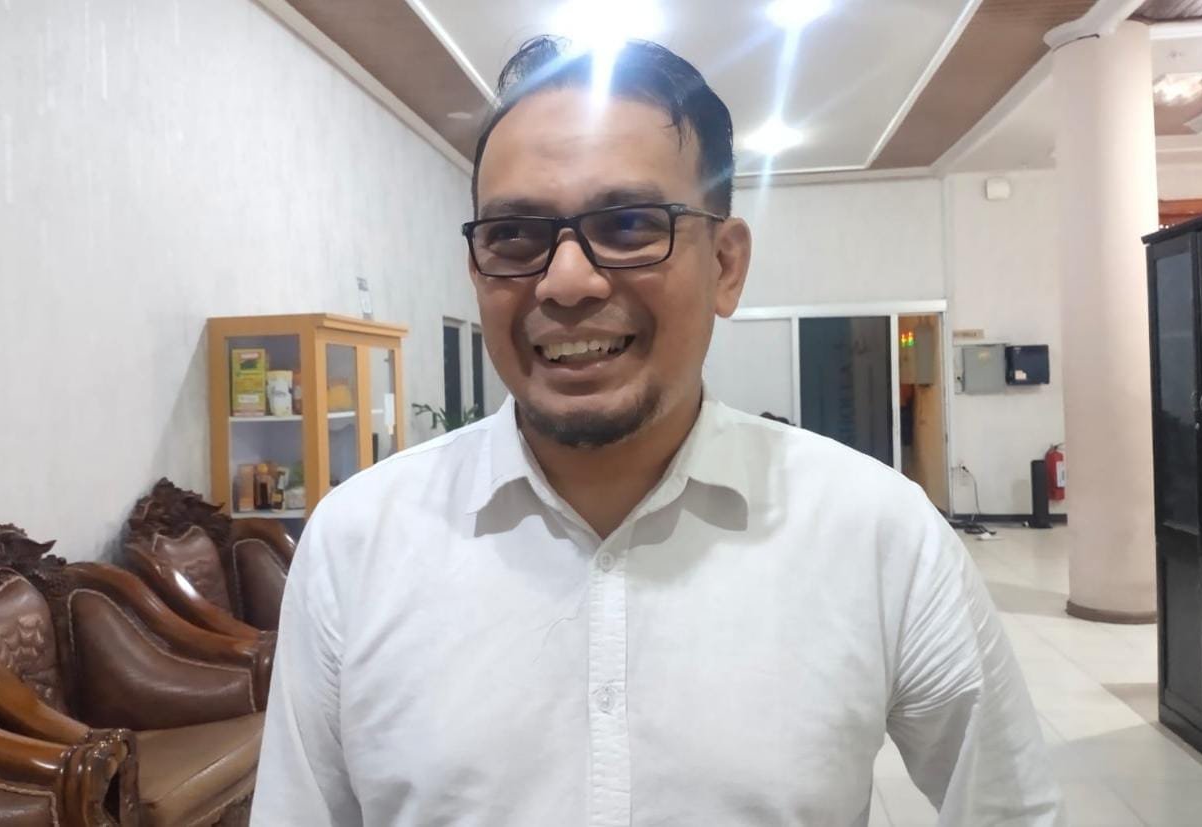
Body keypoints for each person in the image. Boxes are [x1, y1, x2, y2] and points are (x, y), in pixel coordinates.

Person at [250, 36, 1062, 827]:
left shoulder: (877, 533)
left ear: (726, 266)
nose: (566, 281)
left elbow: (1010, 805)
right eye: (515, 235)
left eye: (631, 223)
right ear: (477, 267)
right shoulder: (357, 544)